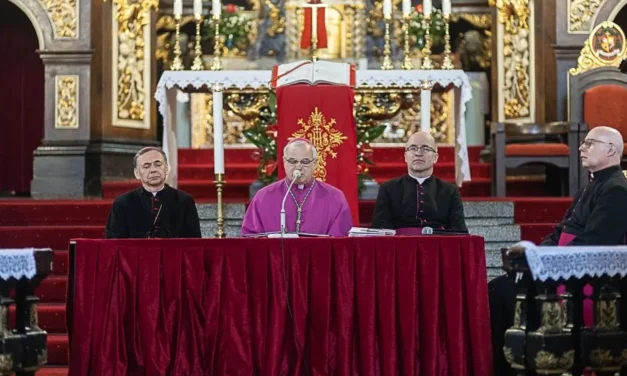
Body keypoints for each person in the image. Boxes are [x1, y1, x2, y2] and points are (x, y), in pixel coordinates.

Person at [489, 126, 627, 375]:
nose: (581, 148)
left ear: (610, 149)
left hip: (584, 278)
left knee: (501, 291)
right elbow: (559, 232)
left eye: (589, 143)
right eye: (583, 143)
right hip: (562, 264)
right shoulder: (590, 185)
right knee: (500, 286)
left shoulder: (616, 189)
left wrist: (549, 261)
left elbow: (595, 244)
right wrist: (537, 254)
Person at [241, 139, 353, 236]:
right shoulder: (263, 196)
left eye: (305, 162)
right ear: (284, 162)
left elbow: (341, 242)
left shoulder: (335, 197)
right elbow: (251, 238)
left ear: (315, 163)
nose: (298, 167)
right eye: (292, 161)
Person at [370, 131, 467, 233]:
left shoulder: (450, 191)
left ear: (435, 157)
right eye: (413, 148)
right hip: (399, 246)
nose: (418, 153)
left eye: (425, 149)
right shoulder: (388, 189)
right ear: (405, 156)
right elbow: (379, 231)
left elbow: (460, 231)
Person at [105, 147, 201, 238]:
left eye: (158, 164)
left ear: (166, 169)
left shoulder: (184, 201)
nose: (153, 170)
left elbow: (193, 242)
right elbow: (114, 242)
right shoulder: (123, 203)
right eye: (146, 166)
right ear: (137, 173)